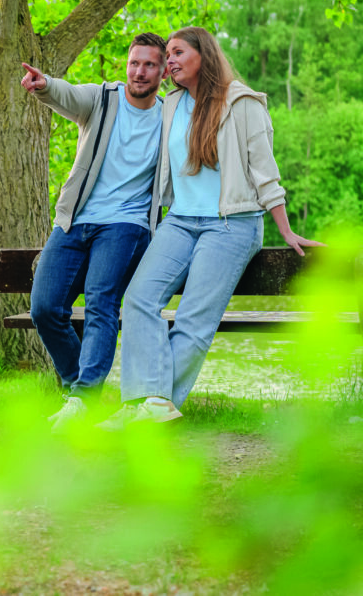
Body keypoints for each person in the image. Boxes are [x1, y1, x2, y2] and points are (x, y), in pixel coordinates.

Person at [98, 26, 323, 430]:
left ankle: (151, 405)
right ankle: (146, 404)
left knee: (193, 320)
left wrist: (285, 230)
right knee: (138, 300)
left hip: (231, 225)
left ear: (204, 55)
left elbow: (265, 175)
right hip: (181, 221)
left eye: (178, 52)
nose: (170, 60)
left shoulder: (243, 103)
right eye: (167, 55)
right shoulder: (172, 103)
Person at [20, 32, 168, 431]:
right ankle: (78, 392)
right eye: (135, 63)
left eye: (149, 65)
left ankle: (83, 399)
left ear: (162, 71)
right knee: (45, 308)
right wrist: (44, 85)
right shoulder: (103, 99)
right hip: (76, 219)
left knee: (102, 302)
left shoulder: (171, 116)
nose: (140, 71)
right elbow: (68, 95)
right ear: (127, 65)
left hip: (128, 224)